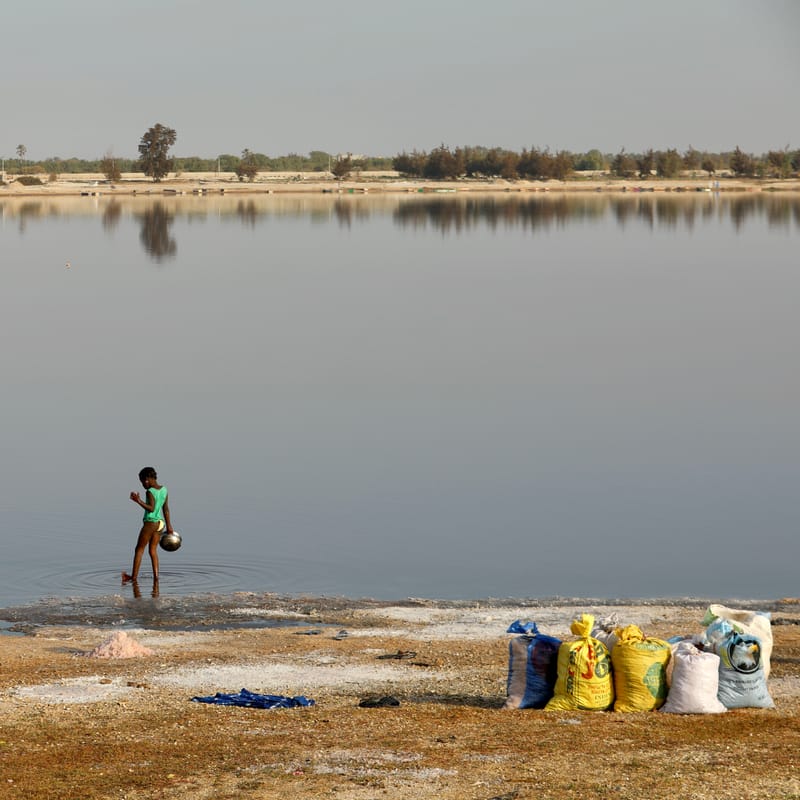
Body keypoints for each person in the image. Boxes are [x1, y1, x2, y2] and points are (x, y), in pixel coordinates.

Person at [122, 466, 174, 586]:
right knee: (152, 551)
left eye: (142, 482)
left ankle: (133, 577)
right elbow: (166, 509)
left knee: (139, 549)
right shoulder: (164, 489)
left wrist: (138, 501)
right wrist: (169, 526)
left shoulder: (150, 491)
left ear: (147, 479)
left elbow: (151, 508)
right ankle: (156, 578)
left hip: (151, 523)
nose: (142, 485)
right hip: (160, 523)